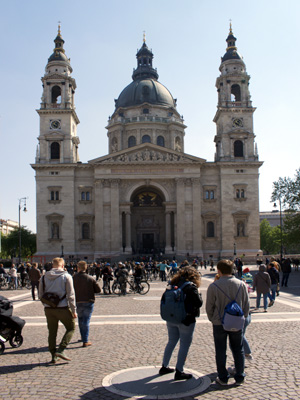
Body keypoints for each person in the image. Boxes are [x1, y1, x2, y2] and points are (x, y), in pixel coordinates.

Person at [206, 259, 249, 386]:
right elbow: (246, 305)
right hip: (236, 321)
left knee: (220, 349)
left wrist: (213, 319)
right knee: (238, 349)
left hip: (219, 323)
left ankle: (223, 377)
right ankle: (240, 376)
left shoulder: (214, 286)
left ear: (218, 271)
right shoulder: (241, 284)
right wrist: (242, 318)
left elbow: (209, 307)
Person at [160, 266, 203, 380]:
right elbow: (198, 303)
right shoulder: (190, 286)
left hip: (171, 318)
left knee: (171, 342)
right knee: (184, 344)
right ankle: (179, 370)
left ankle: (164, 366)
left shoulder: (173, 283)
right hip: (186, 320)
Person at [39, 257, 77, 363]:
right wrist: (74, 310)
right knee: (71, 328)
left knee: (52, 332)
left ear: (52, 265)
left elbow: (40, 295)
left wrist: (47, 304)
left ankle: (53, 356)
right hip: (62, 308)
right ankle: (61, 349)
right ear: (63, 265)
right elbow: (71, 295)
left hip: (48, 309)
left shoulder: (43, 277)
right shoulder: (66, 276)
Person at [73, 261, 101, 347]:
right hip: (88, 302)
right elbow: (98, 290)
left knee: (81, 320)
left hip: (77, 301)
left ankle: (83, 336)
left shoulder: (73, 278)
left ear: (78, 268)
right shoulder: (90, 278)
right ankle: (85, 340)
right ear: (86, 268)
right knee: (86, 321)